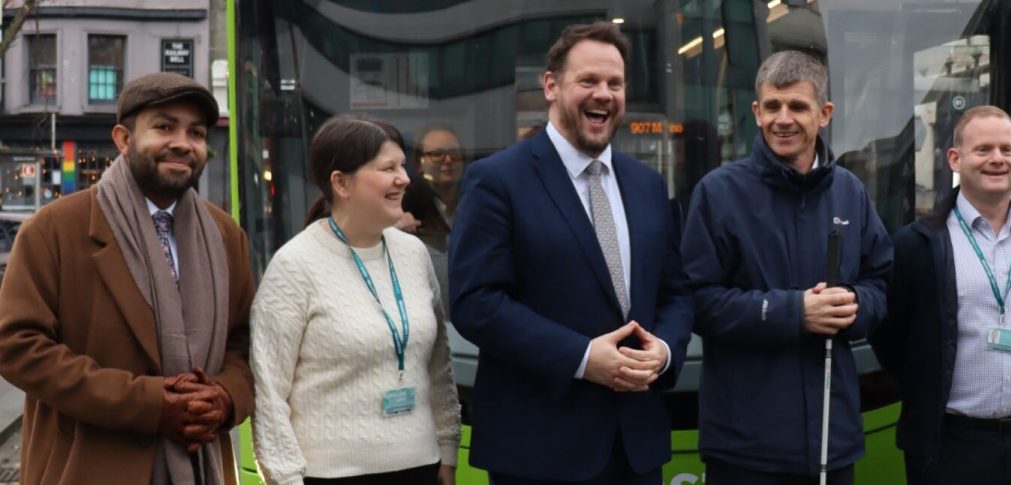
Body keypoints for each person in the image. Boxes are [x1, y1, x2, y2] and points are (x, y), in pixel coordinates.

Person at [449, 21, 693, 485]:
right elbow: (475, 302)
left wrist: (662, 353)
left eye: (615, 83)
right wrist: (581, 357)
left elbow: (677, 293)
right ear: (550, 85)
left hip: (636, 451)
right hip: (539, 453)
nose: (604, 93)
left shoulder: (647, 186)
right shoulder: (497, 180)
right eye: (588, 81)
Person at [0, 72, 255, 484]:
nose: (182, 143)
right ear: (122, 139)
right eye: (163, 127)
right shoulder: (55, 229)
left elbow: (243, 346)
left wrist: (224, 399)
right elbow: (17, 347)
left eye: (196, 132)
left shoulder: (226, 237)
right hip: (87, 466)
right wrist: (149, 404)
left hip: (200, 465)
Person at [681, 50, 892, 484]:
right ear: (756, 112)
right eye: (772, 106)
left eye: (797, 106)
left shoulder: (850, 192)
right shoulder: (718, 193)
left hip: (832, 439)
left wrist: (854, 305)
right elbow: (697, 301)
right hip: (744, 447)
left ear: (825, 113)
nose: (783, 118)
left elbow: (881, 282)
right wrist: (794, 313)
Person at [869, 106, 1011, 484]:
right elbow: (889, 337)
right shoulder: (916, 245)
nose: (997, 159)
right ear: (955, 158)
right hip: (949, 447)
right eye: (983, 149)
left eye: (1007, 149)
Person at [250, 114, 461, 485]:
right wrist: (283, 478)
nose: (405, 178)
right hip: (331, 476)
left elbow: (438, 367)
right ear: (341, 183)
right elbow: (268, 391)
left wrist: (447, 448)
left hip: (421, 467)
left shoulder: (413, 254)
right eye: (388, 168)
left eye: (403, 166)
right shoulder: (295, 265)